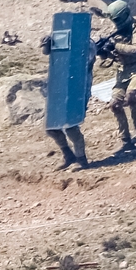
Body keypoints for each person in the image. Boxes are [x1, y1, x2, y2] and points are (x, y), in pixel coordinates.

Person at [98, 0, 136, 152]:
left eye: (117, 20)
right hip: (123, 72)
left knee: (131, 97)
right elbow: (112, 56)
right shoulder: (117, 33)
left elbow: (135, 49)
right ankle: (125, 140)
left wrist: (115, 46)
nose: (116, 23)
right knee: (115, 105)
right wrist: (104, 52)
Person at [40, 31, 90, 171]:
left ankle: (82, 159)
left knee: (70, 125)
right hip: (60, 88)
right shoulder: (65, 44)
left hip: (77, 88)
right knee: (51, 126)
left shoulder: (87, 45)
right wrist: (49, 44)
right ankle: (69, 155)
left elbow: (84, 62)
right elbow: (50, 54)